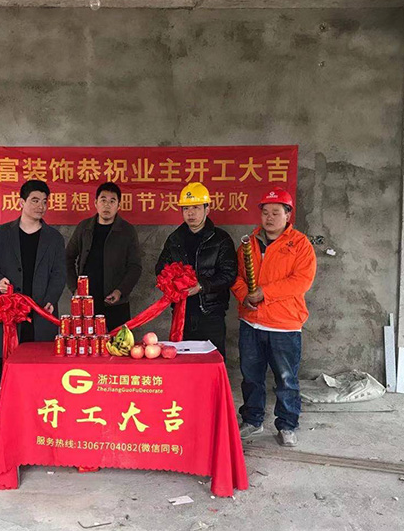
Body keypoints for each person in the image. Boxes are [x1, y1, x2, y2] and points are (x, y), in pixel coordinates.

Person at [232, 187, 317, 448]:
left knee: (286, 379)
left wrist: (264, 293)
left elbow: (301, 281)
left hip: (284, 325)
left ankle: (287, 425)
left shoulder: (300, 244)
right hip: (251, 322)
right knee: (251, 376)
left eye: (276, 212)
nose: (269, 218)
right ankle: (252, 420)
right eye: (265, 212)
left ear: (288, 215)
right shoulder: (248, 244)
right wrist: (244, 295)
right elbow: (237, 277)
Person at [0, 180, 66, 392]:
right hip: (9, 314)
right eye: (35, 200)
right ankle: (6, 411)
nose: (41, 206)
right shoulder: (3, 233)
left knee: (41, 373)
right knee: (7, 371)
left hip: (41, 312)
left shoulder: (54, 238)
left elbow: (59, 274)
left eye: (44, 201)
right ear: (21, 202)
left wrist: (51, 299)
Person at [155, 182, 237, 359]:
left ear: (207, 209)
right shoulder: (174, 239)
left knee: (212, 362)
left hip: (211, 315)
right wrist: (172, 284)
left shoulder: (221, 239)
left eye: (196, 208)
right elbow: (161, 269)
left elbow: (229, 274)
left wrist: (201, 286)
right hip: (182, 314)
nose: (190, 213)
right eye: (186, 208)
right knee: (184, 364)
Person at [65, 182, 142, 332]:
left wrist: (120, 291)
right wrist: (75, 288)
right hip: (87, 301)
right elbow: (68, 258)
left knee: (119, 343)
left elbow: (135, 267)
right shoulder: (84, 228)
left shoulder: (127, 231)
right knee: (86, 343)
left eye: (112, 201)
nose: (107, 205)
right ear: (95, 203)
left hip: (116, 301)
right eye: (103, 200)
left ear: (118, 206)